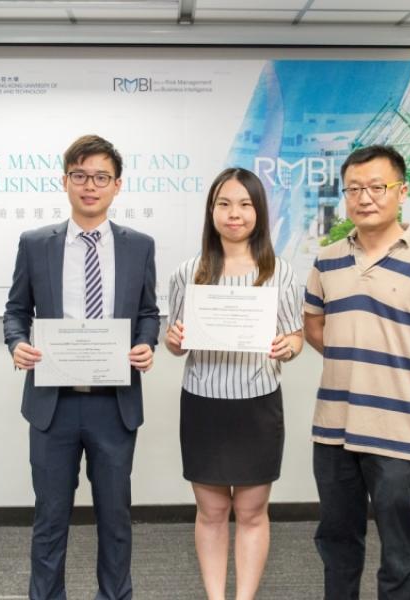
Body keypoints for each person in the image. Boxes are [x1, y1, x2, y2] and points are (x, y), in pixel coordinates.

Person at [303, 145, 410, 600]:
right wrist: (354, 368)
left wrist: (401, 377)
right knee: (336, 539)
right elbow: (313, 326)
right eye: (354, 188)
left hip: (397, 429)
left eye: (377, 187)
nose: (364, 197)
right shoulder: (327, 259)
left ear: (401, 191)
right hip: (333, 428)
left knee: (397, 545)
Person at [3, 134, 159, 600]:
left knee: (115, 519)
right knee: (50, 519)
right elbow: (15, 310)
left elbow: (148, 312)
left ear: (117, 186)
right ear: (65, 181)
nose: (90, 186)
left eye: (101, 178)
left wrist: (146, 344)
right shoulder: (36, 244)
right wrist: (17, 343)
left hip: (114, 405)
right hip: (53, 405)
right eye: (80, 176)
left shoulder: (139, 246)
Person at [164, 167, 303, 600]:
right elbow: (175, 342)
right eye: (224, 204)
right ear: (211, 211)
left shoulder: (280, 272)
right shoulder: (189, 272)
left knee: (251, 511)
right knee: (211, 511)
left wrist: (289, 347)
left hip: (257, 406)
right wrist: (173, 340)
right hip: (204, 405)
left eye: (245, 204)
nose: (234, 214)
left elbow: (296, 335)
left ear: (259, 212)